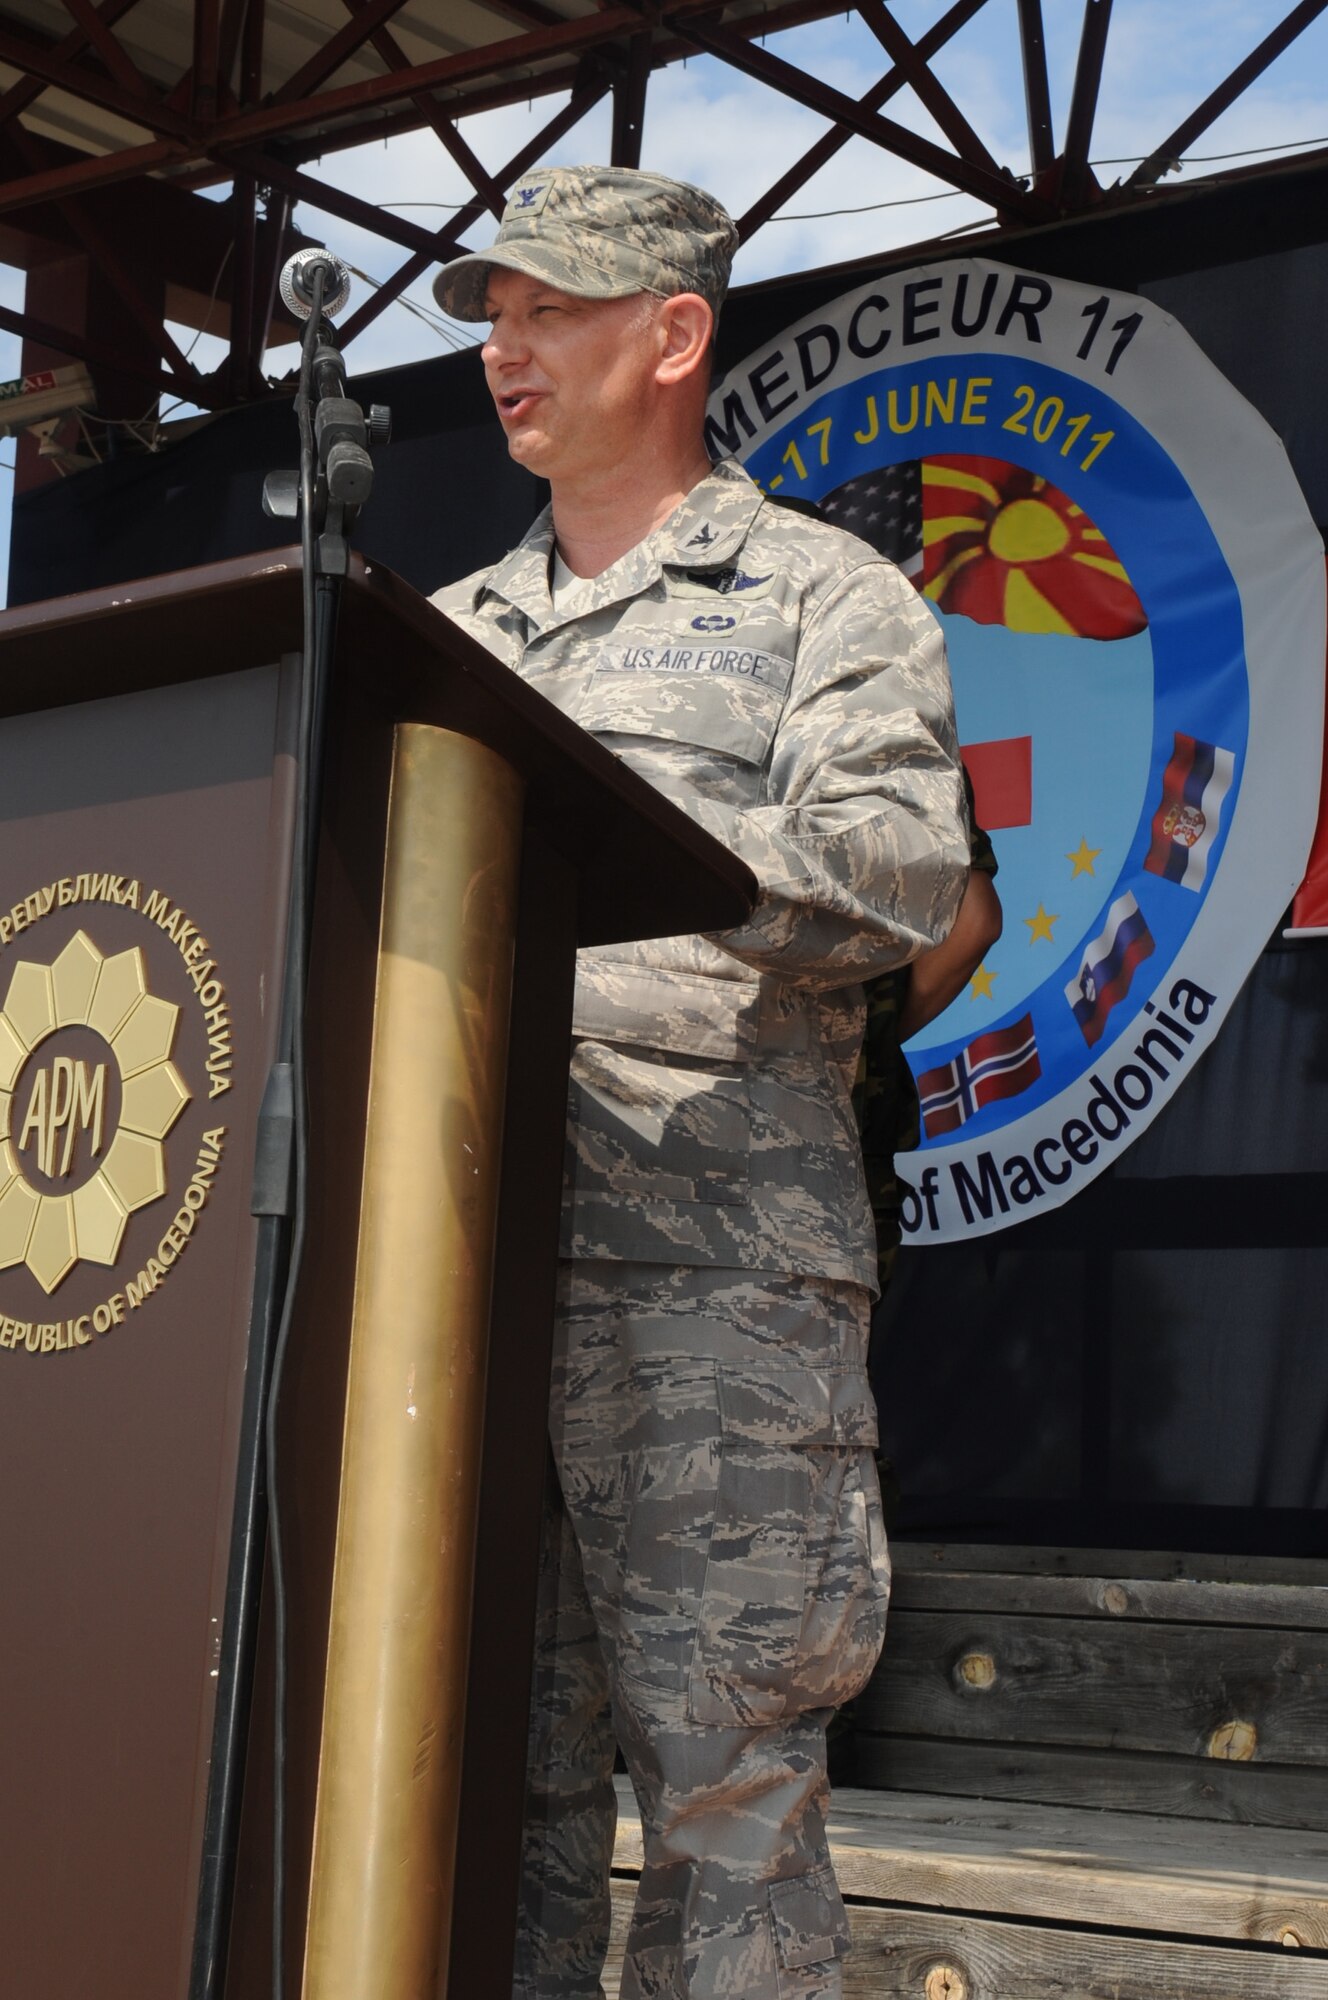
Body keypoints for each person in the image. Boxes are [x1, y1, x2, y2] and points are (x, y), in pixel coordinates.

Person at [431, 165, 968, 2000]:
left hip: (714, 1290)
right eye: (492, 318)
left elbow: (900, 875)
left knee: (725, 1789)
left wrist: (636, 843)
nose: (504, 351)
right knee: (473, 1797)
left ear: (672, 336)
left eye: (548, 311)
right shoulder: (441, 639)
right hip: (453, 1282)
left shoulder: (828, 595)